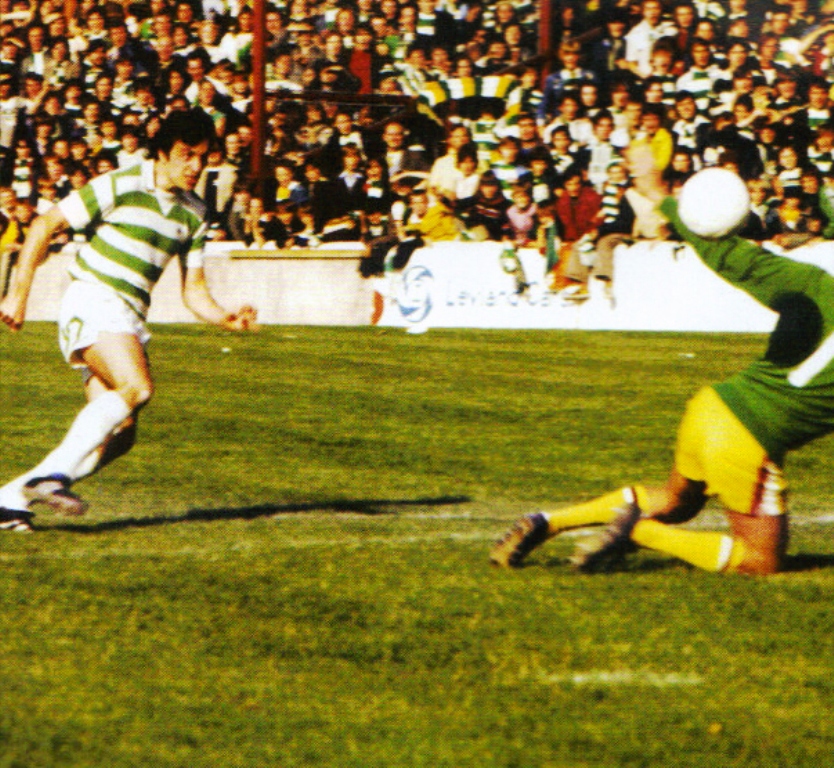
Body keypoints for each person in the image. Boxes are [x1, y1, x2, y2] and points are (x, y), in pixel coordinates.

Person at [491, 147, 834, 575]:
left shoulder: (818, 285)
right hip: (749, 439)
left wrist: (662, 194)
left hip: (713, 407)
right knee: (761, 560)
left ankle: (550, 521)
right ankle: (640, 532)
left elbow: (730, 257)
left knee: (675, 501)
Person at [0, 109, 258, 532]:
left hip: (129, 315)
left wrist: (225, 318)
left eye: (203, 157)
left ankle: (10, 497)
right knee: (137, 387)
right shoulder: (123, 183)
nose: (195, 166)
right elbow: (47, 223)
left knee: (121, 434)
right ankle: (50, 478)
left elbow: (193, 290)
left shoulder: (195, 212)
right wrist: (18, 293)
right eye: (185, 155)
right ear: (162, 152)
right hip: (93, 298)